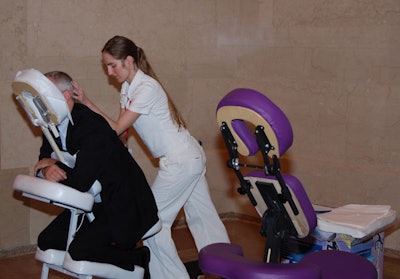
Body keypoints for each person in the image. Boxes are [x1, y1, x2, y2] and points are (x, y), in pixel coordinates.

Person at [73, 35, 230, 278]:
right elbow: (121, 132)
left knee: (150, 223)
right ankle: (226, 271)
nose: (109, 71)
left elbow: (114, 128)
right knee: (203, 218)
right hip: (188, 159)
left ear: (129, 60)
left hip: (182, 162)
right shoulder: (127, 89)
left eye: (113, 65)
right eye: (106, 66)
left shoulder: (147, 88)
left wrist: (85, 101)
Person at [34, 71, 159, 276]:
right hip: (97, 201)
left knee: (80, 251)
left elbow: (79, 182)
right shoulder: (52, 126)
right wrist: (47, 168)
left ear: (66, 96)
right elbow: (43, 158)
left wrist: (50, 165)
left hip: (126, 204)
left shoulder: (90, 126)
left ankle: (138, 258)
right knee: (47, 241)